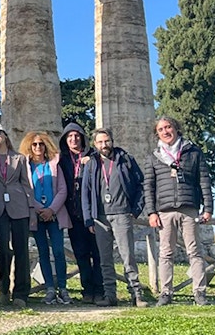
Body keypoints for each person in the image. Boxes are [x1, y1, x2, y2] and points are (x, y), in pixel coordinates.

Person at [144, 116, 214, 306]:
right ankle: (166, 293)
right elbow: (148, 186)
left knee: (195, 251)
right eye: (161, 129)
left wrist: (208, 208)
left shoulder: (193, 152)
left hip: (189, 208)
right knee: (166, 253)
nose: (165, 132)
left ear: (176, 129)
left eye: (168, 127)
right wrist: (151, 212)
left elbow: (204, 181)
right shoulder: (154, 156)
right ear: (157, 133)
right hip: (164, 211)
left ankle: (199, 292)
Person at [82, 128, 149, 307]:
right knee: (105, 259)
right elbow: (86, 193)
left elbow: (141, 185)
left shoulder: (125, 159)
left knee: (128, 256)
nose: (104, 145)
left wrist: (135, 210)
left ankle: (136, 294)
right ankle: (110, 295)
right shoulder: (91, 163)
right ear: (94, 144)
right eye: (100, 142)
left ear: (112, 141)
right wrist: (89, 218)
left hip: (122, 214)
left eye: (107, 141)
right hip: (100, 217)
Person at [0, 123, 35, 308]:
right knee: (3, 249)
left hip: (18, 205)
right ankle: (4, 285)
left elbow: (26, 184)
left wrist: (31, 208)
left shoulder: (19, 158)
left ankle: (21, 293)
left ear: (5, 135)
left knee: (21, 250)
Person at [22, 131, 71, 305]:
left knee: (58, 251)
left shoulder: (54, 164)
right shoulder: (26, 166)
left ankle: (63, 288)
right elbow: (26, 190)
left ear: (46, 146)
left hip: (55, 215)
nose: (37, 147)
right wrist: (40, 209)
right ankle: (49, 288)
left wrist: (51, 209)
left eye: (41, 144)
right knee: (43, 252)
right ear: (29, 146)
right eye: (34, 144)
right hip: (37, 215)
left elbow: (63, 189)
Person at [57, 122, 102, 304]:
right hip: (73, 214)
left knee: (97, 254)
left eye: (77, 136)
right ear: (65, 140)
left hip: (92, 213)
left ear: (82, 138)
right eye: (69, 136)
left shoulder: (94, 156)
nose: (74, 139)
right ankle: (87, 290)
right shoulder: (62, 159)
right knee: (81, 254)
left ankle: (100, 290)